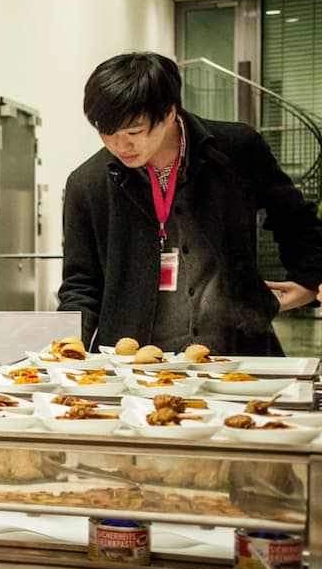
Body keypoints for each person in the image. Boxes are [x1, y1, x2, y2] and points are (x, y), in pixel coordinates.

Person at [59, 52, 322, 354]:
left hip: (238, 354)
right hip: (133, 364)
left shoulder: (235, 149)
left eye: (134, 132)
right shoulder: (87, 183)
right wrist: (69, 349)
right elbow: (81, 282)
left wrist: (308, 278)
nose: (120, 146)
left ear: (169, 113)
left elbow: (295, 218)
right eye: (107, 133)